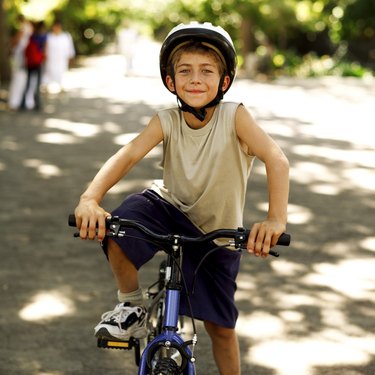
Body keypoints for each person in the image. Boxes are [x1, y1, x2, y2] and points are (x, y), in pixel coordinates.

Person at [73, 22, 289, 375]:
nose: (195, 79)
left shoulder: (235, 116)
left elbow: (276, 159)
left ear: (224, 81)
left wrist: (275, 218)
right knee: (120, 225)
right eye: (185, 71)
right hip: (168, 208)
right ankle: (131, 307)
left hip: (218, 235)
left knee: (221, 328)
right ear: (171, 81)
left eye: (207, 71)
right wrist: (89, 199)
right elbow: (128, 155)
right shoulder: (166, 120)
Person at [7, 15, 33, 110]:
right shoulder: (30, 28)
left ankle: (14, 102)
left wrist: (11, 42)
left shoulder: (23, 28)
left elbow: (17, 40)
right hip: (25, 56)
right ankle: (22, 101)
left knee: (18, 77)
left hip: (20, 56)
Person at [20, 21, 47, 110]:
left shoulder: (32, 36)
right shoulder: (43, 37)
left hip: (30, 63)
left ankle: (23, 103)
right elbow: (44, 50)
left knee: (28, 83)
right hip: (38, 63)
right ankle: (37, 104)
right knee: (37, 84)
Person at [43, 20, 75, 93]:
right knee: (49, 73)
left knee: (62, 72)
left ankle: (62, 86)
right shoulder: (49, 36)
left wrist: (71, 58)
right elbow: (45, 48)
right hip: (51, 59)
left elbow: (70, 48)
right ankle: (46, 86)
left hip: (62, 59)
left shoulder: (66, 36)